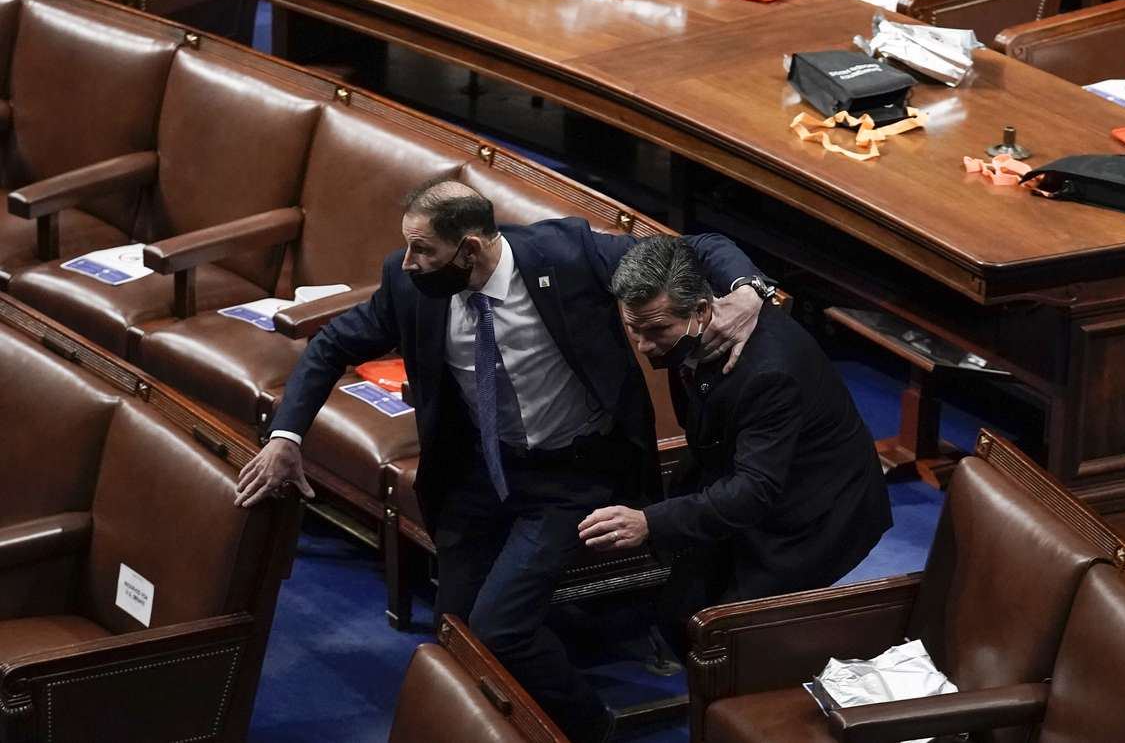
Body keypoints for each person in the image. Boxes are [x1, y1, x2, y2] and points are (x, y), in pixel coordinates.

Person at [233, 179, 766, 742]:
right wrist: (285, 437)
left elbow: (700, 245)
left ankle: (590, 728)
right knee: (457, 631)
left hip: (573, 475)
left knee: (497, 631)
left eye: (423, 251)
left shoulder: (567, 253)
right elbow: (332, 345)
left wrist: (750, 291)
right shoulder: (409, 284)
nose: (409, 262)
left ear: (469, 249)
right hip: (477, 476)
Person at [578, 234, 891, 655]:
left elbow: (754, 491)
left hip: (808, 515)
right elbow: (704, 242)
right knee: (676, 616)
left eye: (656, 331)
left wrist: (650, 522)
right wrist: (751, 287)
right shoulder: (675, 284)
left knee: (722, 642)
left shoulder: (768, 374)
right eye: (634, 330)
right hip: (734, 476)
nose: (644, 346)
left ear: (703, 311)